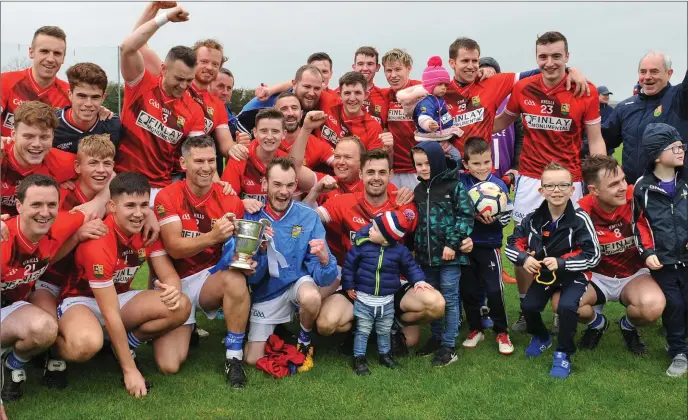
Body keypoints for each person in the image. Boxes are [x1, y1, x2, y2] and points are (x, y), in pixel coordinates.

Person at [493, 31, 605, 331]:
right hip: (531, 177)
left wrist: (601, 177)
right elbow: (502, 121)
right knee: (522, 241)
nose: (550, 62)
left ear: (567, 57)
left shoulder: (586, 90)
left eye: (556, 56)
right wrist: (466, 130)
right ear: (536, 58)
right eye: (543, 56)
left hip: (571, 178)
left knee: (568, 244)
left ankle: (560, 308)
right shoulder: (523, 88)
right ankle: (526, 308)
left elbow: (595, 139)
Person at [56, 172, 191, 397]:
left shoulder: (147, 231)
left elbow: (168, 273)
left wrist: (173, 290)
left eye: (143, 205)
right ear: (112, 206)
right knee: (86, 344)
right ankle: (52, 349)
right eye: (130, 205)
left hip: (117, 298)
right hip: (81, 302)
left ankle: (124, 345)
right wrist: (130, 371)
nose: (138, 214)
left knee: (181, 305)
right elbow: (110, 314)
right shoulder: (98, 240)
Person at [310, 149, 442, 356]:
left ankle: (391, 323)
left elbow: (428, 233)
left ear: (390, 175)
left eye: (382, 172)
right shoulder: (343, 202)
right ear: (361, 174)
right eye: (370, 172)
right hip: (357, 284)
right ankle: (363, 328)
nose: (376, 178)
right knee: (326, 324)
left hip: (393, 283)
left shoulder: (404, 204)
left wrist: (462, 239)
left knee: (435, 306)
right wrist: (315, 192)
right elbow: (306, 218)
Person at [152, 135, 252, 387]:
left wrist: (247, 260)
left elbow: (238, 248)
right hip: (174, 281)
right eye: (198, 161)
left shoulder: (230, 199)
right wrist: (211, 237)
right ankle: (186, 326)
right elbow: (174, 248)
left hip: (209, 279)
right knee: (169, 365)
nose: (206, 167)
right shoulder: (167, 195)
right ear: (183, 164)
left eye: (211, 161)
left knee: (236, 280)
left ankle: (234, 356)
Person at [506, 162, 601, 379]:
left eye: (562, 185)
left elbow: (593, 255)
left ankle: (563, 352)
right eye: (550, 186)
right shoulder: (532, 218)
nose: (556, 191)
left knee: (567, 307)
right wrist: (523, 258)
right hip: (545, 275)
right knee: (529, 306)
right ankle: (541, 337)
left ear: (571, 189)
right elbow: (511, 244)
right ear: (541, 190)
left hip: (573, 275)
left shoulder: (580, 218)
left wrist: (562, 263)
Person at [34, 135, 115, 388]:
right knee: (46, 330)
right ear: (78, 167)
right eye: (93, 163)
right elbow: (43, 259)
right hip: (47, 281)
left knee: (86, 341)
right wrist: (76, 236)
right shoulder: (57, 196)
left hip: (84, 287)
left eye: (107, 163)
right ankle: (50, 353)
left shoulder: (113, 201)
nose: (100, 170)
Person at [244, 157, 338, 372]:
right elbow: (248, 276)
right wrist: (259, 253)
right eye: (277, 184)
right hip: (266, 293)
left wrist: (324, 260)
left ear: (296, 186)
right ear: (265, 183)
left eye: (289, 185)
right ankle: (280, 331)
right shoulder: (252, 215)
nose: (283, 191)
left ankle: (304, 341)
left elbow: (324, 278)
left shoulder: (307, 216)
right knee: (252, 360)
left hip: (298, 283)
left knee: (312, 296)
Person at [1, 174, 85, 402]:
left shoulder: (58, 225)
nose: (45, 212)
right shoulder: (4, 239)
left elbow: (94, 207)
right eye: (36, 204)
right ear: (18, 205)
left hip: (12, 307)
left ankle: (12, 364)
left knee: (46, 329)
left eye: (51, 205)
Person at [573, 155, 665, 355]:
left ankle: (628, 325)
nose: (623, 186)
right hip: (596, 276)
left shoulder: (636, 197)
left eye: (623, 179)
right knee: (567, 305)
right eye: (614, 184)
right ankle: (597, 324)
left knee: (653, 307)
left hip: (633, 274)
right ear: (594, 190)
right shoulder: (580, 211)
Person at [115, 5, 205, 204]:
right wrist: (163, 16)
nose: (184, 86)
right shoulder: (141, 83)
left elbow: (199, 154)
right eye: (179, 78)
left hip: (159, 188)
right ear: (163, 69)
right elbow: (129, 46)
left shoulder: (194, 110)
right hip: (122, 180)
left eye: (189, 80)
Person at [445, 38, 588, 155]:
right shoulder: (442, 92)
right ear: (452, 63)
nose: (471, 66)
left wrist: (570, 70)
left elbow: (535, 73)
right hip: (451, 167)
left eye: (475, 61)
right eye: (465, 61)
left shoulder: (492, 83)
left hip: (481, 168)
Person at [342, 211, 429, 375]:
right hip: (364, 299)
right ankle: (359, 358)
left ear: (385, 238)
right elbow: (349, 267)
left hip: (387, 301)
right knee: (363, 330)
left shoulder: (400, 251)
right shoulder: (361, 247)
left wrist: (419, 280)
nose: (369, 230)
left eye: (374, 229)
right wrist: (348, 285)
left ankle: (385, 355)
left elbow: (411, 267)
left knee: (384, 330)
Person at [411, 141, 474, 366]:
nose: (423, 168)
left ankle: (448, 345)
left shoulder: (454, 186)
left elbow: (466, 215)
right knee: (434, 299)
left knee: (449, 297)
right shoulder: (418, 190)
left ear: (437, 161)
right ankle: (436, 338)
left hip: (450, 256)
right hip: (426, 258)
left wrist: (452, 244)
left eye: (427, 163)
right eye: (418, 164)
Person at [633, 123, 688, 377]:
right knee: (674, 303)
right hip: (662, 261)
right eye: (674, 147)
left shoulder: (685, 182)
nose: (681, 150)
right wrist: (647, 252)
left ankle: (679, 341)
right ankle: (678, 351)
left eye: (681, 145)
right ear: (656, 155)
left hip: (686, 258)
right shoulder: (642, 188)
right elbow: (638, 224)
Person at [456, 137, 514, 355]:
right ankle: (476, 328)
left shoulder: (498, 186)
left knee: (494, 290)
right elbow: (456, 212)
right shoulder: (461, 184)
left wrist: (495, 221)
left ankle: (502, 331)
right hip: (467, 246)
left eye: (486, 162)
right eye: (476, 163)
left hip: (489, 246)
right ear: (466, 165)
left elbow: (507, 218)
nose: (482, 168)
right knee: (469, 290)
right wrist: (473, 217)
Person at [602, 51, 688, 184]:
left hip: (672, 194)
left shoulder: (680, 98)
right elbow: (601, 140)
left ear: (669, 73)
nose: (647, 77)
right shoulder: (625, 107)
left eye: (654, 71)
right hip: (633, 193)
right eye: (643, 72)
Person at [221, 108, 316, 206]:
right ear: (255, 132)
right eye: (264, 131)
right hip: (245, 217)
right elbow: (225, 199)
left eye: (275, 131)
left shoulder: (286, 161)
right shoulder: (240, 156)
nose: (269, 137)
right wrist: (241, 203)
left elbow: (294, 204)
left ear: (283, 134)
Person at [1, 101, 76, 217]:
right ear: (13, 134)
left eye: (44, 137)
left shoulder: (64, 162)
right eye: (28, 136)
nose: (37, 144)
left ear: (53, 137)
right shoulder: (2, 155)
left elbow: (106, 173)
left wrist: (98, 202)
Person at [1, 26, 70, 137]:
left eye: (57, 53)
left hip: (45, 153)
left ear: (63, 58)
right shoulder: (5, 81)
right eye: (44, 51)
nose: (50, 59)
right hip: (7, 152)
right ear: (31, 52)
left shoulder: (70, 93)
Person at [237, 65, 340, 134]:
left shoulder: (320, 102)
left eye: (316, 88)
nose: (311, 93)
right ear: (294, 84)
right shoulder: (268, 102)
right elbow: (239, 122)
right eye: (307, 87)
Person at [53, 62, 121, 154]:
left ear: (103, 98)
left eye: (95, 97)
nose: (88, 104)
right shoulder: (51, 124)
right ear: (70, 95)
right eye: (82, 96)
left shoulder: (113, 125)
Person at [315, 72, 387, 151]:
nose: (352, 98)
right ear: (339, 95)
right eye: (347, 93)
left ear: (366, 95)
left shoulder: (373, 128)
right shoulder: (328, 102)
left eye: (357, 93)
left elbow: (372, 162)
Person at [382, 49, 422, 189]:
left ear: (408, 68)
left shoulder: (421, 90)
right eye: (388, 70)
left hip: (418, 169)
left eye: (398, 69)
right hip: (393, 171)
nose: (393, 75)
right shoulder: (385, 96)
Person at [478, 57, 524, 181]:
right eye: (483, 75)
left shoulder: (511, 102)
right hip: (475, 174)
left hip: (504, 176)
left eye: (492, 77)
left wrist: (516, 166)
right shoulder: (469, 102)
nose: (487, 80)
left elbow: (520, 138)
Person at [398, 56, 462, 142]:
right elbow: (423, 117)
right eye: (440, 84)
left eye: (445, 85)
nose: (443, 88)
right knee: (455, 155)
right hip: (431, 137)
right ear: (430, 85)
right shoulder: (427, 101)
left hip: (442, 134)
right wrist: (429, 124)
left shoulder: (438, 98)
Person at [274, 93, 334, 170]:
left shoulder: (315, 143)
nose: (290, 113)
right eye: (284, 109)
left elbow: (342, 164)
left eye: (294, 108)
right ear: (275, 114)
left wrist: (327, 179)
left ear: (301, 114)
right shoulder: (266, 139)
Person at [211, 67, 240, 175]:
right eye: (220, 86)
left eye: (229, 88)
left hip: (216, 175)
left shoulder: (230, 117)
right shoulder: (193, 106)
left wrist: (239, 145)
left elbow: (229, 149)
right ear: (209, 84)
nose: (225, 92)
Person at [351, 46, 388, 125]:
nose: (365, 68)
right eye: (360, 64)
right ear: (354, 67)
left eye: (370, 64)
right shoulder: (339, 93)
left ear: (377, 67)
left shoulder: (386, 96)